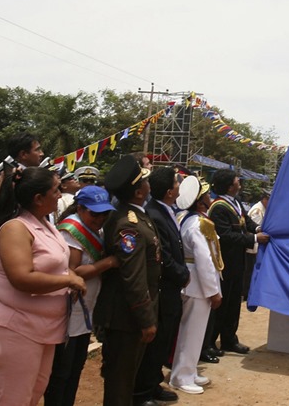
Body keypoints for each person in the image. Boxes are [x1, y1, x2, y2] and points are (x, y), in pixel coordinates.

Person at [0, 166, 87, 405]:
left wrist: (69, 275)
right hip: (18, 327)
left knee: (35, 390)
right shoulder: (16, 228)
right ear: (38, 199)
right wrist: (69, 279)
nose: (61, 194)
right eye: (56, 190)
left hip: (46, 329)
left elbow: (57, 262)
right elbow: (22, 278)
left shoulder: (46, 224)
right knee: (13, 396)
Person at [93, 155, 160, 406]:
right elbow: (132, 277)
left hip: (130, 315)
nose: (147, 182)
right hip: (125, 318)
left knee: (126, 379)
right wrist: (146, 318)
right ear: (139, 192)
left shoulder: (135, 215)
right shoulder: (127, 224)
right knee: (120, 384)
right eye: (144, 180)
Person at [44, 185, 118, 406]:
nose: (99, 218)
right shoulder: (71, 230)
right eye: (94, 213)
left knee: (76, 367)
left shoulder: (98, 229)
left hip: (86, 310)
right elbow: (75, 270)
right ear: (80, 208)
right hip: (70, 312)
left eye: (104, 213)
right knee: (62, 371)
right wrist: (109, 262)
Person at [133, 166, 189, 405]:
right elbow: (163, 254)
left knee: (164, 340)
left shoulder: (165, 210)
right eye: (177, 183)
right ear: (169, 191)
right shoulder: (154, 214)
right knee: (155, 343)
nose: (180, 186)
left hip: (171, 288)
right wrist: (181, 274)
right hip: (163, 287)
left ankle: (153, 384)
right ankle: (142, 392)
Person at [170, 176, 223, 394]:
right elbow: (205, 260)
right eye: (207, 195)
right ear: (200, 201)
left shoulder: (186, 218)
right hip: (198, 284)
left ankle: (188, 371)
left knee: (192, 333)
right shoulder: (199, 224)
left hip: (192, 281)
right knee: (191, 333)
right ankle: (181, 377)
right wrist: (213, 291)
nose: (210, 198)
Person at [208, 170, 269, 354]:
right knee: (222, 304)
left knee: (234, 302)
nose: (240, 184)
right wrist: (255, 239)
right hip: (225, 263)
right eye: (237, 181)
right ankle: (211, 341)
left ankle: (229, 339)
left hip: (237, 261)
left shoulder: (234, 203)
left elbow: (246, 222)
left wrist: (258, 228)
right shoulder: (218, 207)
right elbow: (226, 236)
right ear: (229, 186)